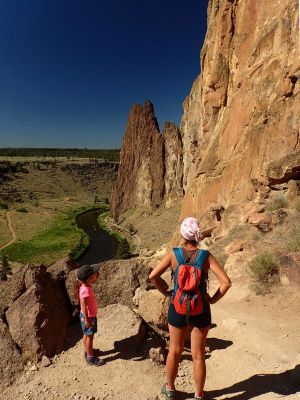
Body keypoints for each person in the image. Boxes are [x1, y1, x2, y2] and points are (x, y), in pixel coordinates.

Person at [149, 217, 231, 400]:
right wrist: (213, 300)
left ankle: (170, 389)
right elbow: (226, 283)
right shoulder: (205, 256)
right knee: (198, 355)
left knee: (174, 350)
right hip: (201, 308)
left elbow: (153, 275)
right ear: (197, 235)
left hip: (177, 307)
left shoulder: (174, 254)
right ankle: (199, 395)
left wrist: (166, 292)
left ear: (183, 235)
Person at [75, 264, 104, 366]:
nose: (97, 273)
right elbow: (83, 306)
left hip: (86, 316)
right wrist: (87, 320)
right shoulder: (86, 290)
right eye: (94, 273)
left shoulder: (84, 286)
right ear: (88, 278)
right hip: (89, 317)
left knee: (86, 335)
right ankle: (90, 358)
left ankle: (87, 350)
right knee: (90, 337)